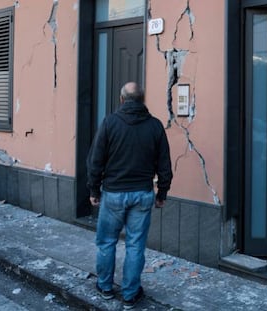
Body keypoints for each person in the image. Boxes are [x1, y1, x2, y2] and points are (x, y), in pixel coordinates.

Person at [86, 82, 173, 309]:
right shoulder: (155, 126)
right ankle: (130, 293)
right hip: (142, 194)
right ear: (142, 100)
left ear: (122, 99)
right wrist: (162, 193)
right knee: (135, 245)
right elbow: (165, 165)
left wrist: (94, 190)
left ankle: (105, 287)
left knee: (106, 242)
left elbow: (96, 161)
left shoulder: (109, 123)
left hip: (113, 193)